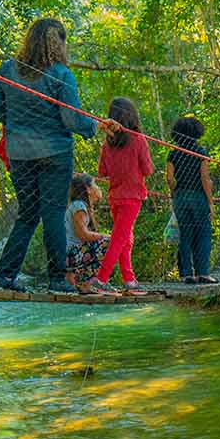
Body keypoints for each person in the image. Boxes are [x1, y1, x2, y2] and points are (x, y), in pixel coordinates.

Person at [0, 17, 115, 293]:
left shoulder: (8, 69)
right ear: (60, 43)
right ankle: (57, 279)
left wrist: (15, 123)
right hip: (55, 153)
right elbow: (71, 119)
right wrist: (94, 126)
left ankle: (5, 276)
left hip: (20, 153)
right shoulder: (61, 75)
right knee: (54, 214)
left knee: (28, 214)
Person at [95, 97, 153, 294]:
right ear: (132, 116)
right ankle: (101, 279)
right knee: (120, 239)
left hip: (115, 196)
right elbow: (148, 169)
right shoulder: (138, 140)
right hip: (132, 196)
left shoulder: (107, 144)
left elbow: (102, 171)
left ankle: (129, 279)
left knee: (125, 238)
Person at [166, 116, 216, 284]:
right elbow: (205, 177)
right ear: (196, 132)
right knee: (203, 233)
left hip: (181, 197)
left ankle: (187, 274)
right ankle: (203, 273)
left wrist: (175, 195)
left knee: (185, 236)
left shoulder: (173, 154)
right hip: (198, 197)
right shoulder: (200, 152)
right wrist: (210, 202)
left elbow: (170, 179)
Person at [65, 174, 110, 294]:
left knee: (106, 241)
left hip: (75, 253)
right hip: (71, 254)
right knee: (109, 243)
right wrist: (106, 236)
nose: (98, 188)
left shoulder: (80, 205)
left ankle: (80, 280)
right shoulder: (79, 205)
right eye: (95, 184)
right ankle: (87, 283)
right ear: (88, 189)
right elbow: (83, 235)